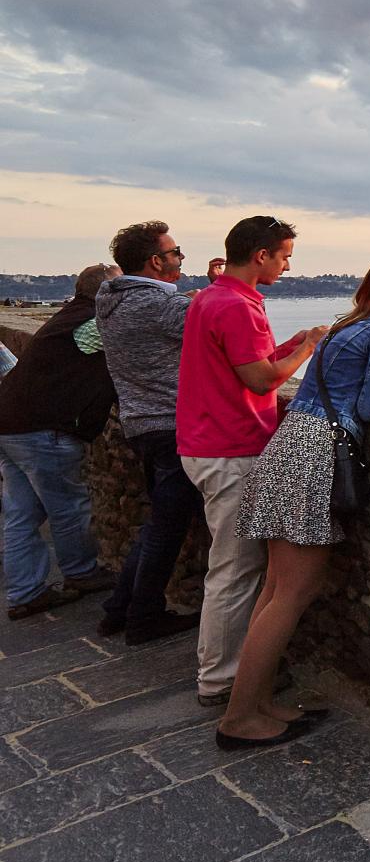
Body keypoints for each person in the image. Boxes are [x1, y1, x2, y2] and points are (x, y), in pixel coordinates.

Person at [217, 256, 370, 747]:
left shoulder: (348, 326)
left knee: (275, 591)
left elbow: (348, 392)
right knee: (291, 595)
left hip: (290, 443)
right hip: (316, 457)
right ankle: (238, 720)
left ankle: (256, 703)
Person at [177, 217, 328, 707]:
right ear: (260, 254)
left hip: (208, 443)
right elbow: (263, 381)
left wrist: (291, 343)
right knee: (235, 570)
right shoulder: (236, 306)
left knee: (233, 567)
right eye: (284, 255)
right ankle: (222, 680)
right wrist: (307, 348)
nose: (287, 264)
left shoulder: (211, 297)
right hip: (230, 448)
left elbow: (247, 367)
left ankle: (230, 670)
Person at [95, 221, 225, 644]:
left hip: (139, 423)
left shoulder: (109, 298)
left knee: (159, 523)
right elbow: (218, 323)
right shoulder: (159, 307)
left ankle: (118, 609)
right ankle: (143, 618)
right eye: (176, 252)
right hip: (173, 426)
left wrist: (204, 288)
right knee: (165, 529)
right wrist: (222, 286)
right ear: (156, 261)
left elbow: (181, 306)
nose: (181, 258)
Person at [0, 263, 120, 619]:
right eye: (120, 286)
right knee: (68, 507)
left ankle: (25, 593)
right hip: (42, 428)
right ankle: (81, 573)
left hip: (10, 422)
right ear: (103, 292)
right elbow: (133, 333)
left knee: (21, 513)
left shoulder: (70, 315)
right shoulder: (91, 323)